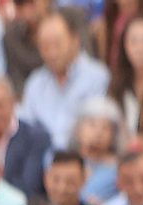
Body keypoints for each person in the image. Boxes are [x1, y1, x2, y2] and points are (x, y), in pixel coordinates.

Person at [18, 11, 110, 152]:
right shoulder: (35, 83)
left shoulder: (97, 76)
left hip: (83, 160)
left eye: (57, 44)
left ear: (75, 41)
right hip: (41, 163)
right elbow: (26, 128)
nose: (52, 53)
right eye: (45, 46)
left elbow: (97, 131)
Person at [5, 0, 95, 93]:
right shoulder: (12, 37)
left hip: (79, 92)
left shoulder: (72, 18)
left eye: (31, 4)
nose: (27, 13)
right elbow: (17, 84)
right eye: (20, 6)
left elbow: (87, 61)